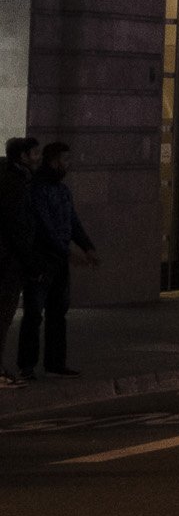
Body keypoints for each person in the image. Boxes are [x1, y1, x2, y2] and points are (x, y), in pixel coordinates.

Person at [20, 141, 97, 378]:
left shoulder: (62, 190)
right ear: (54, 161)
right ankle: (27, 365)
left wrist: (87, 246)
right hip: (42, 259)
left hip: (58, 260)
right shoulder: (38, 189)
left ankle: (54, 362)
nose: (68, 164)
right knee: (34, 313)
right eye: (65, 160)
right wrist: (68, 251)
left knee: (57, 312)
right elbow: (44, 226)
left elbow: (72, 222)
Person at [0, 138, 38, 390]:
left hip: (8, 258)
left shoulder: (12, 179)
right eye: (34, 153)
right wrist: (30, 260)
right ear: (23, 156)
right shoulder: (16, 183)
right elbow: (18, 227)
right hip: (8, 262)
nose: (37, 158)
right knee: (2, 316)